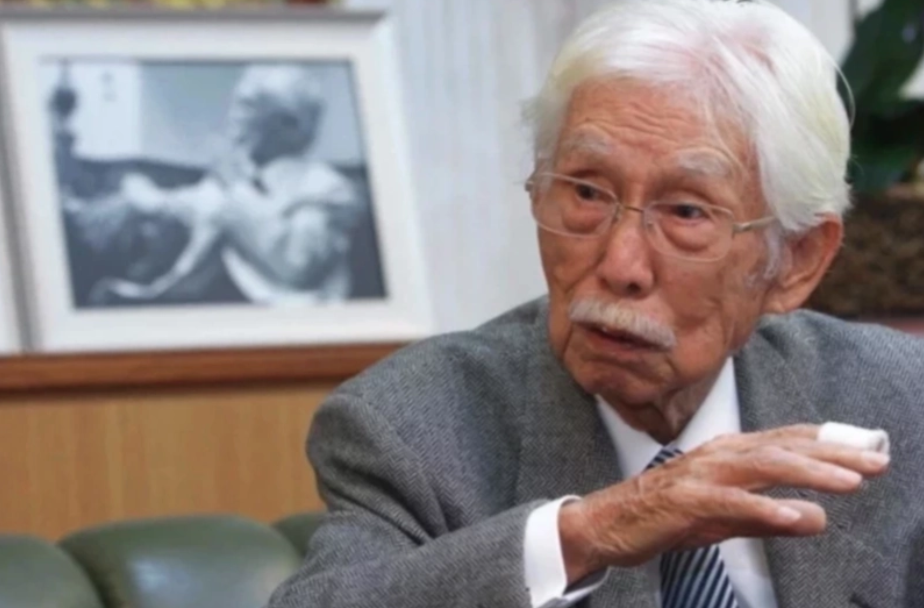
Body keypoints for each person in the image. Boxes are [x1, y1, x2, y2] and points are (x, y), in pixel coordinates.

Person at [266, 1, 924, 607]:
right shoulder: (416, 426)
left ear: (798, 261)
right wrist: (589, 532)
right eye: (585, 192)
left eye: (686, 212)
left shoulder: (894, 397)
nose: (620, 266)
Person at [95, 63, 364, 306]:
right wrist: (144, 196)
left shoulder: (328, 189)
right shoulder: (236, 177)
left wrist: (234, 184)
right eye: (235, 104)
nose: (234, 117)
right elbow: (189, 204)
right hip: (197, 305)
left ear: (290, 125)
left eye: (248, 106)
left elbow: (296, 264)